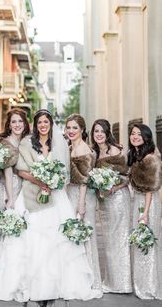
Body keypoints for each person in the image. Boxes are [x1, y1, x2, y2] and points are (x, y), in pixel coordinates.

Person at [0, 109, 100, 303]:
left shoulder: (60, 144)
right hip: (31, 193)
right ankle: (27, 283)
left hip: (55, 197)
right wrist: (41, 182)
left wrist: (53, 181)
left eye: (46, 122)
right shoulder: (26, 143)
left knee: (57, 242)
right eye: (39, 122)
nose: (42, 125)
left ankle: (56, 284)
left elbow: (64, 174)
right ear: (35, 124)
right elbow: (21, 170)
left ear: (51, 124)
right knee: (29, 240)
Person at [91, 119, 132, 294]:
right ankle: (111, 280)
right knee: (109, 241)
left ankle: (122, 283)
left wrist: (114, 187)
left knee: (119, 239)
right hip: (104, 200)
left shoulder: (115, 150)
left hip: (117, 199)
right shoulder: (95, 152)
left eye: (102, 131)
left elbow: (127, 176)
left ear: (108, 133)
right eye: (96, 131)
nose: (99, 134)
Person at [65, 114, 102, 297]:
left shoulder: (83, 149)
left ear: (82, 130)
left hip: (82, 195)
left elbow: (85, 180)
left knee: (85, 236)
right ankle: (76, 276)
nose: (71, 131)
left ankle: (90, 280)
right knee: (73, 236)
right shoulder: (71, 147)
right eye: (68, 128)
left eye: (74, 128)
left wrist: (80, 204)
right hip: (71, 193)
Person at [128, 123, 162, 299]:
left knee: (148, 241)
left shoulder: (151, 158)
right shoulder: (136, 155)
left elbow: (150, 188)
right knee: (140, 241)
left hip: (148, 204)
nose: (135, 137)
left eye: (139, 134)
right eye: (133, 134)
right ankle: (142, 283)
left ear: (146, 137)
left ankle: (150, 286)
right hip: (138, 203)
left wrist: (146, 213)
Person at [0, 108, 30, 213]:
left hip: (22, 187)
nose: (17, 124)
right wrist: (10, 198)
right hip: (7, 187)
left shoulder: (26, 142)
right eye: (14, 122)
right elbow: (8, 173)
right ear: (9, 125)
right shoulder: (5, 144)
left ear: (24, 124)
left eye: (20, 121)